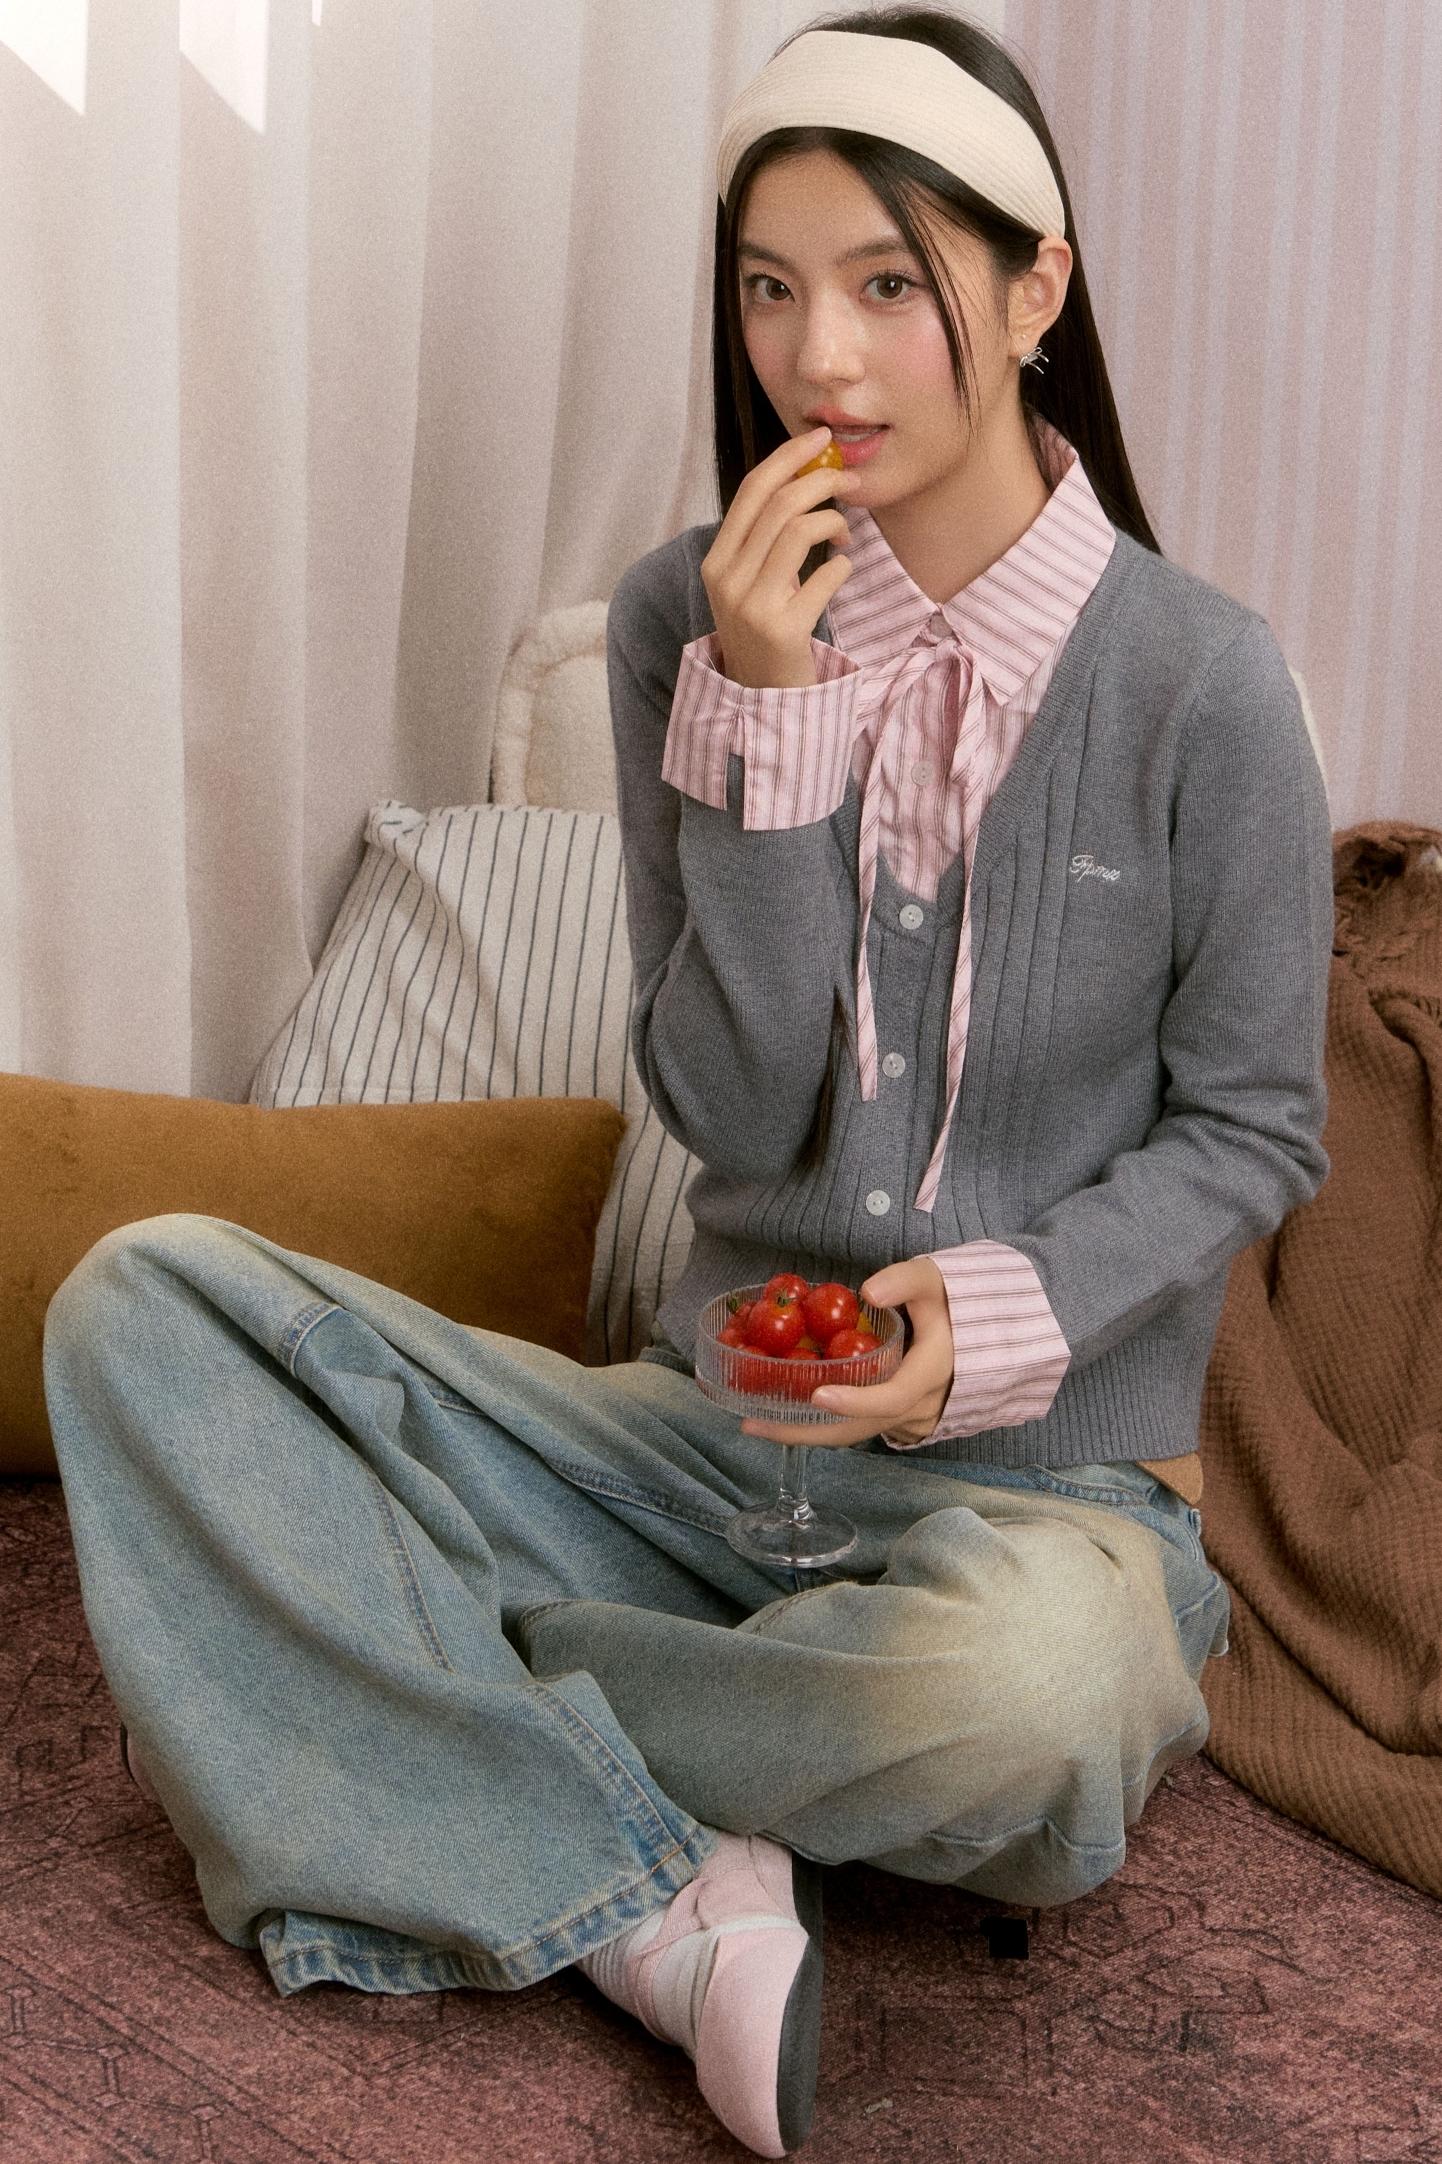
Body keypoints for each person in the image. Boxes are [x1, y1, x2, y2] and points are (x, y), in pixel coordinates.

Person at [41, 9, 1332, 2159]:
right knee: (134, 1303)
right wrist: (766, 708)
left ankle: (365, 1671)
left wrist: (981, 1322)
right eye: (767, 286)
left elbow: (1256, 1125)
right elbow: (733, 1114)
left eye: (890, 282)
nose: (818, 355)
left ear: (1034, 287)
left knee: (1033, 1704)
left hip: (1043, 1503)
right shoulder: (681, 620)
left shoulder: (1204, 680)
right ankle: (657, 1902)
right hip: (688, 1451)